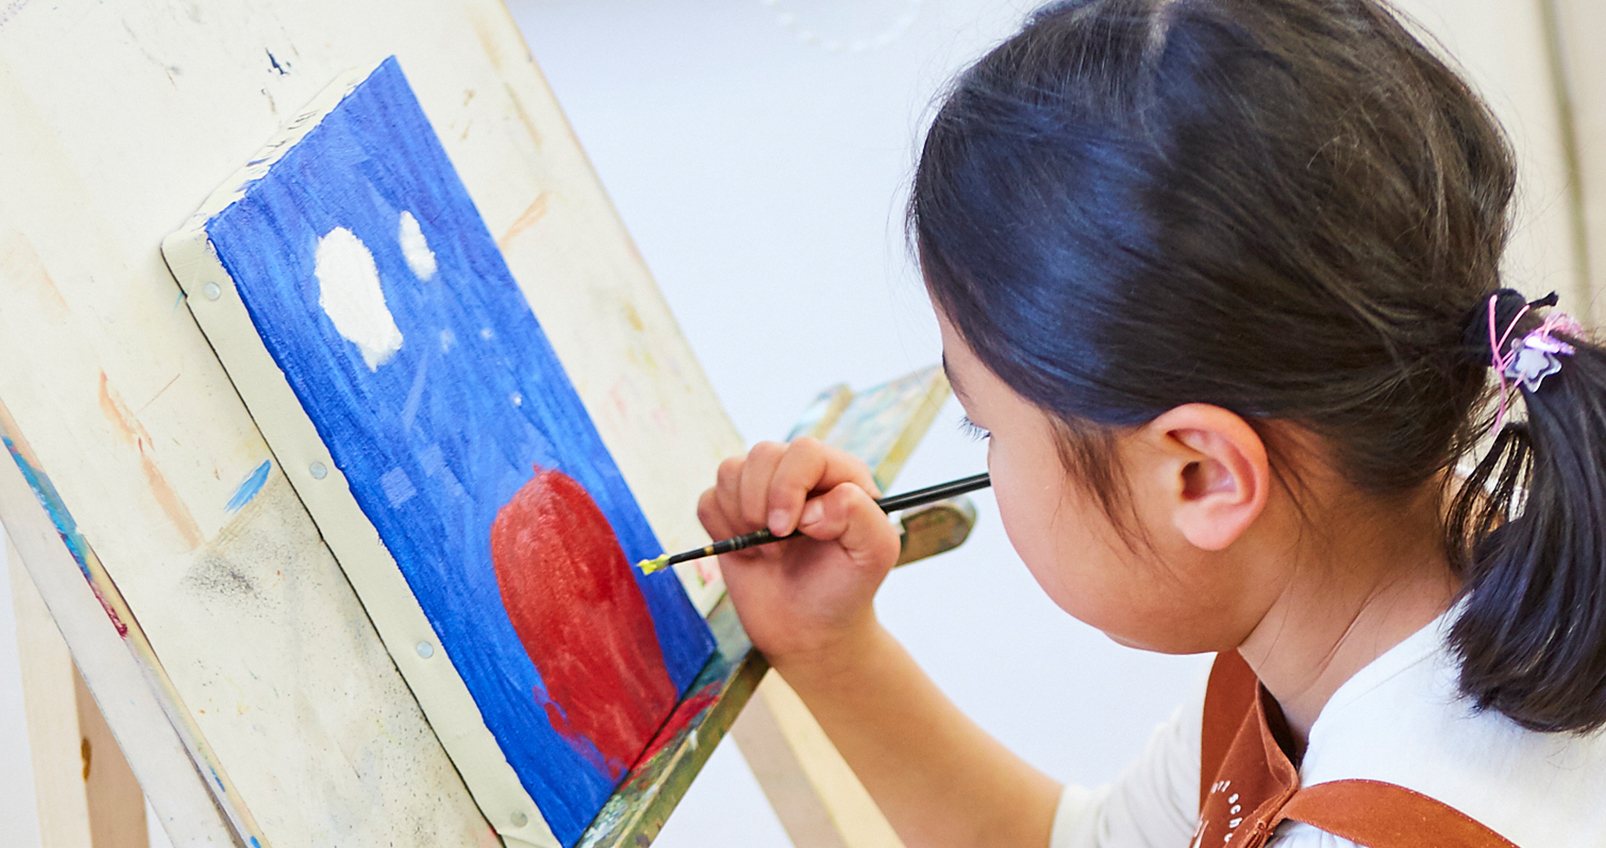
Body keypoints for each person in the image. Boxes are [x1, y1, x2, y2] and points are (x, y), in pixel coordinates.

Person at [696, 0, 1606, 845]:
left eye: (986, 428)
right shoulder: (1464, 580)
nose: (989, 458)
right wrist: (830, 648)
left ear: (1201, 476)